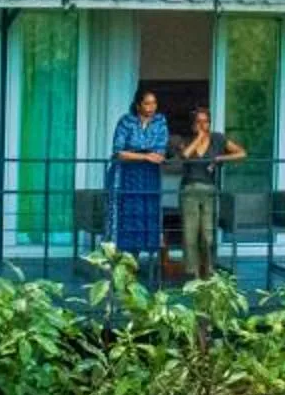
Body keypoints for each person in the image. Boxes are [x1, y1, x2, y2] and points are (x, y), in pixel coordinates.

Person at [174, 108, 246, 282]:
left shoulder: (218, 139)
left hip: (209, 191)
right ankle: (193, 273)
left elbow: (242, 153)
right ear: (193, 124)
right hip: (189, 190)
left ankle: (208, 270)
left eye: (206, 121)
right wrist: (199, 138)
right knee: (190, 234)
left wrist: (220, 159)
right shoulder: (185, 140)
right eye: (198, 121)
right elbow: (184, 155)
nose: (203, 125)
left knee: (208, 234)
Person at [105, 89, 170, 272]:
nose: (151, 108)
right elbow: (118, 152)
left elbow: (160, 151)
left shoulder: (160, 121)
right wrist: (145, 156)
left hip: (149, 178)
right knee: (125, 217)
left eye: (154, 103)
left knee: (146, 217)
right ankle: (121, 264)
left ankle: (143, 267)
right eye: (147, 103)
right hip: (125, 176)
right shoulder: (126, 121)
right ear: (138, 105)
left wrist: (140, 153)